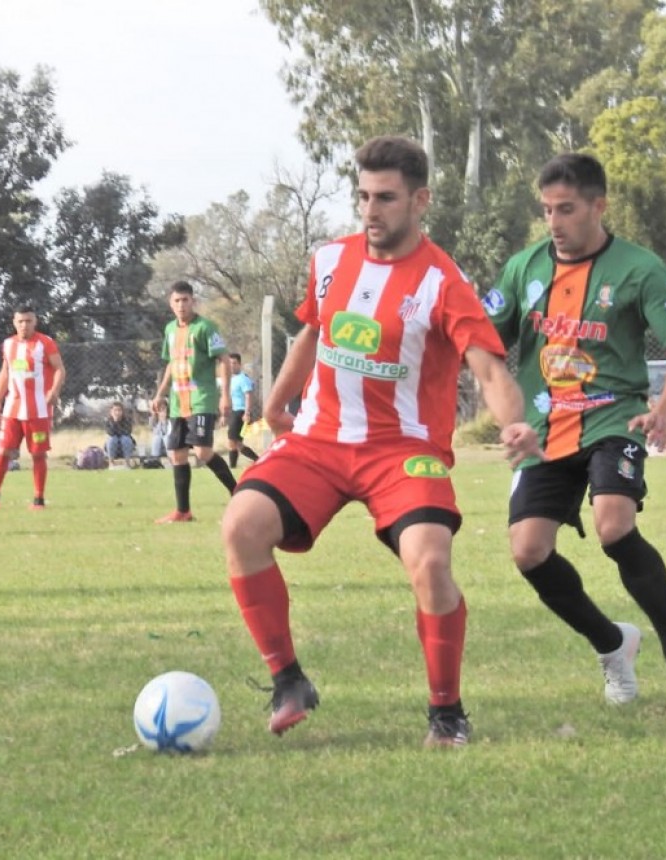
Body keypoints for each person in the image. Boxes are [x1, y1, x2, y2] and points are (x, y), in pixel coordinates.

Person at [221, 135, 541, 747]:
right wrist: (275, 403)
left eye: (386, 198)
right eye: (363, 196)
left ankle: (446, 713)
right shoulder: (330, 261)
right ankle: (288, 679)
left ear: (420, 200)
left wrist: (513, 422)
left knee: (430, 560)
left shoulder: (444, 282)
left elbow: (490, 367)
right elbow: (312, 336)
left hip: (402, 449)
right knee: (240, 526)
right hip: (318, 440)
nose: (371, 211)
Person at [482, 152, 666, 707]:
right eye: (547, 211)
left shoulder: (641, 269)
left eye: (566, 209)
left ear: (598, 205)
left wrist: (663, 409)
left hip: (615, 417)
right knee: (528, 553)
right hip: (543, 428)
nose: (554, 223)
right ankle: (613, 645)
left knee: (614, 527)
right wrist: (509, 419)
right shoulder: (523, 268)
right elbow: (484, 346)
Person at [151, 280, 236, 523]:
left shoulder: (205, 328)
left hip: (202, 399)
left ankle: (239, 494)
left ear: (193, 301)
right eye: (176, 301)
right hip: (179, 402)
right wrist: (160, 393)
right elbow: (170, 363)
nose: (181, 305)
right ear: (170, 303)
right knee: (176, 455)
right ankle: (183, 511)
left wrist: (226, 396)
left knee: (202, 451)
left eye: (185, 300)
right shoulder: (169, 330)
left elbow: (224, 359)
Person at [0, 306, 65, 511]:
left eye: (28, 321)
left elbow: (59, 368)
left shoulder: (45, 343)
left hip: (39, 410)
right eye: (20, 321)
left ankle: (38, 499)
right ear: (14, 322)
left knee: (38, 454)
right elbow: (5, 373)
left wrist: (54, 391)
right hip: (13, 409)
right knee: (3, 451)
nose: (24, 325)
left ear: (35, 321)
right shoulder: (8, 344)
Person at [226, 352, 258, 467]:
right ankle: (258, 460)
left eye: (234, 363)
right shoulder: (232, 379)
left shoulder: (243, 378)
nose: (232, 365)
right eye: (230, 363)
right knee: (238, 444)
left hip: (240, 412)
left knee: (232, 442)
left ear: (239, 364)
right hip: (234, 412)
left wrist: (247, 412)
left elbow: (248, 395)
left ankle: (232, 467)